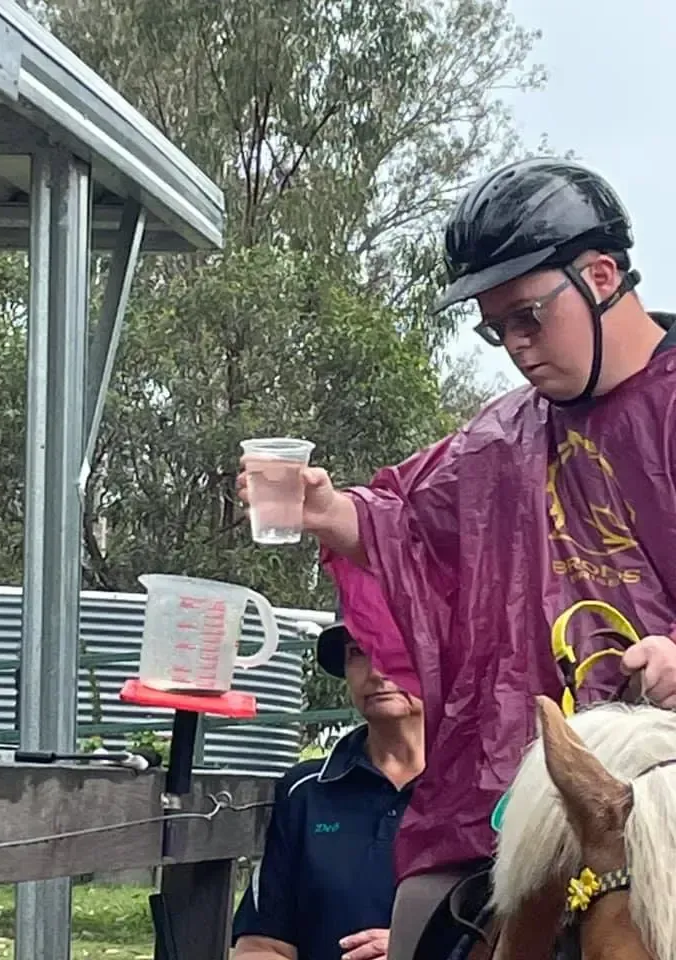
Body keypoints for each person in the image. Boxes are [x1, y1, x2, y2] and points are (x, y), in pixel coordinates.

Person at [237, 157, 676, 959]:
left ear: (603, 275)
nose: (514, 346)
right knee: (421, 922)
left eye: (528, 317)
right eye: (494, 327)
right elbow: (412, 527)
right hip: (514, 789)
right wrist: (329, 513)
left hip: (665, 791)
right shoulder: (501, 437)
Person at [232, 618, 425, 960]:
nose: (378, 671)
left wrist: (418, 950)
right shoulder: (305, 792)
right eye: (358, 652)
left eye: (400, 649)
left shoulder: (482, 791)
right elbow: (260, 945)